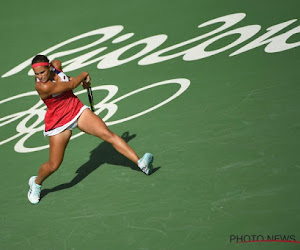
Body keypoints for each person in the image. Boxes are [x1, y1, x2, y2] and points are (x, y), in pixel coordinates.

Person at [28, 55, 153, 205]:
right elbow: (71, 85)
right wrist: (84, 75)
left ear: (49, 67)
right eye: (36, 74)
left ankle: (141, 163)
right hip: (58, 123)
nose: (40, 77)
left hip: (77, 111)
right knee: (54, 165)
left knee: (108, 134)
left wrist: (82, 82)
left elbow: (66, 77)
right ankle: (36, 183)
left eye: (42, 72)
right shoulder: (43, 87)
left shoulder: (56, 65)